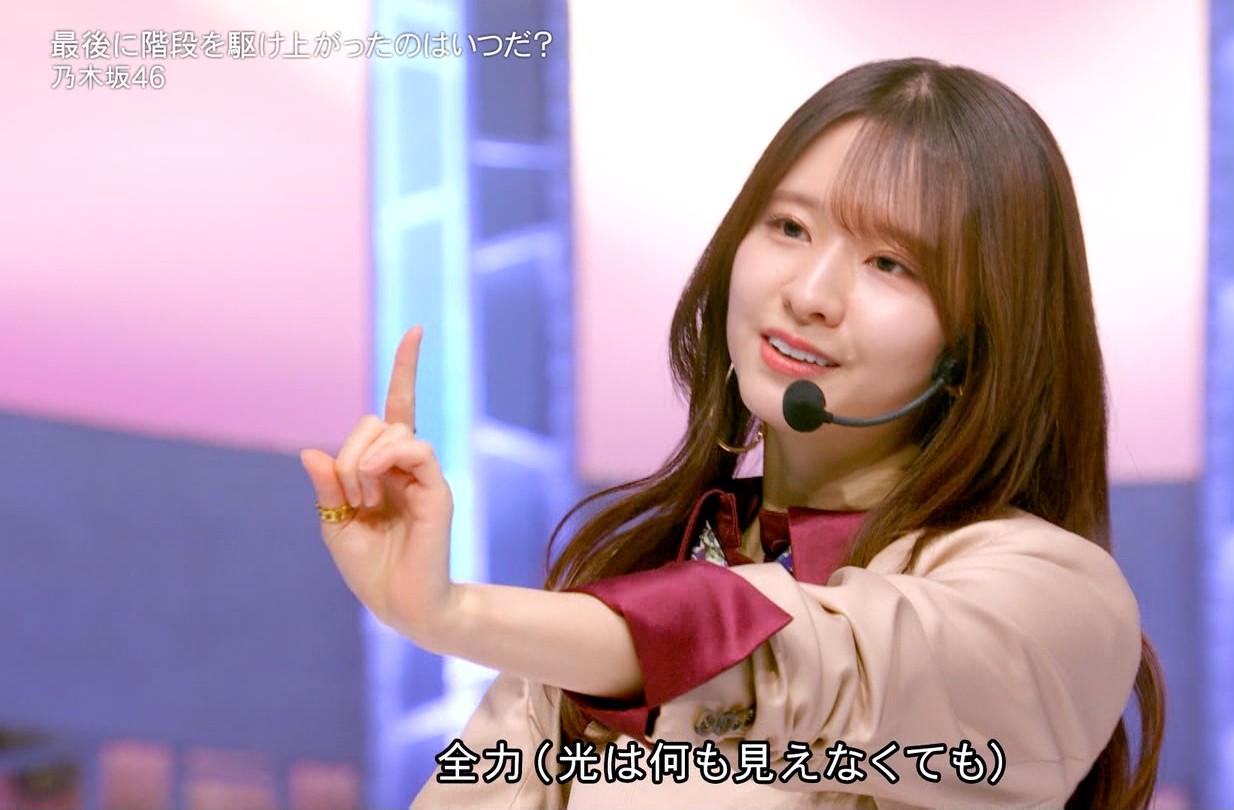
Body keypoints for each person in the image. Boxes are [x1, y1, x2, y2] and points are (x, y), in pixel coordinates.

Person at [301, 57, 1166, 809]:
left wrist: (455, 612)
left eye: (891, 263)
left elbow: (797, 653)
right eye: (789, 227)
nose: (810, 293)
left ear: (976, 347)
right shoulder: (620, 591)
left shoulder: (1050, 593)